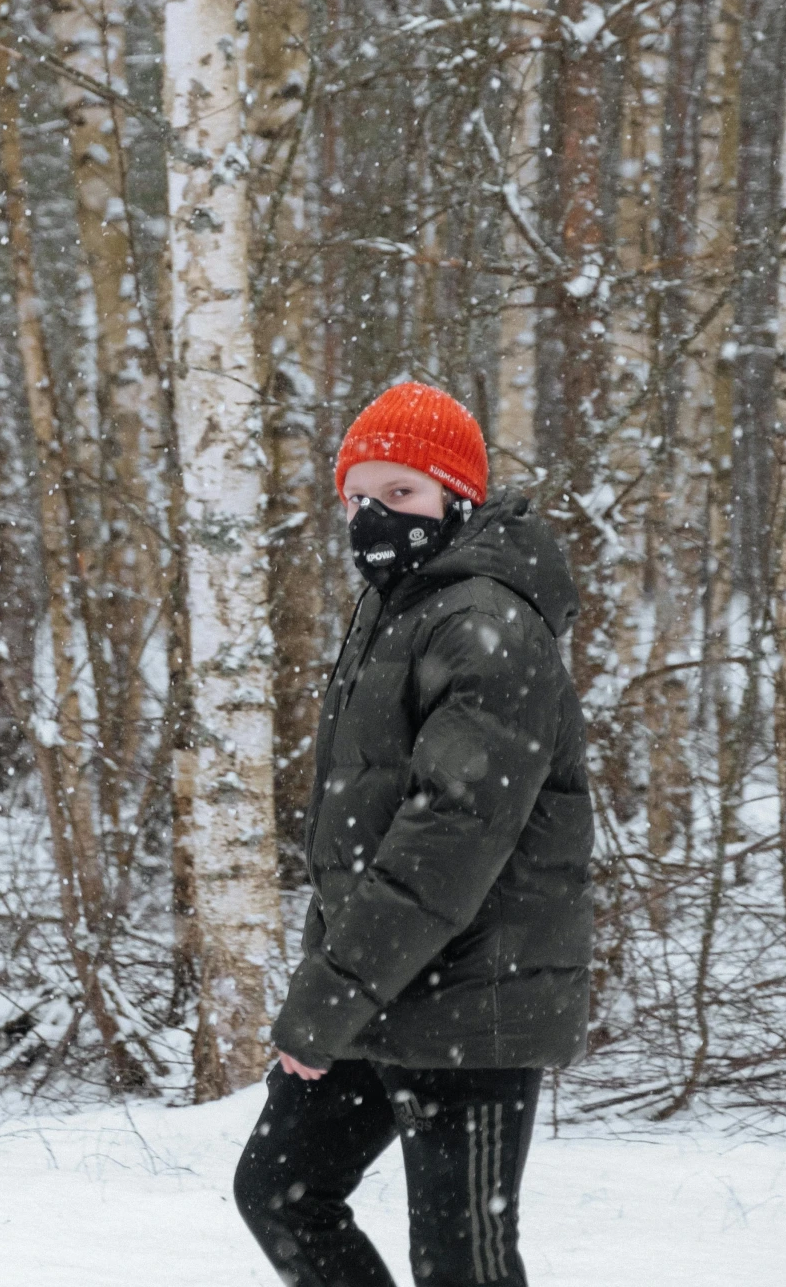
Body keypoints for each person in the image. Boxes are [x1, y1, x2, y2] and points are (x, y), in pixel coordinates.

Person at [233, 382, 592, 1287]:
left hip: (477, 992)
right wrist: (342, 983)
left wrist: (325, 999)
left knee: (461, 1261)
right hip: (385, 980)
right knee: (281, 1188)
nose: (373, 515)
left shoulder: (486, 624)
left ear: (456, 499)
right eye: (359, 496)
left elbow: (445, 843)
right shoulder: (398, 605)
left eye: (402, 493)